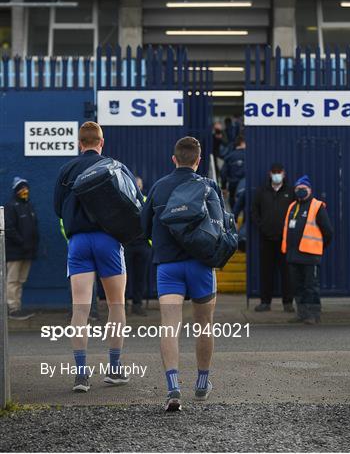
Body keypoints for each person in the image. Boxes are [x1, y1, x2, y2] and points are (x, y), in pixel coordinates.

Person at [54, 121, 143, 392]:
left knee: (80, 308)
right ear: (101, 143)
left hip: (78, 242)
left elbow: (58, 208)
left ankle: (81, 375)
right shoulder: (116, 166)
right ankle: (114, 370)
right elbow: (135, 201)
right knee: (116, 306)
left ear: (79, 143)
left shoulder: (66, 170)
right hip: (109, 241)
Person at [141, 136, 223, 412]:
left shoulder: (159, 187)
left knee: (169, 325)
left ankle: (173, 386)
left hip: (168, 267)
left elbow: (143, 228)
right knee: (204, 324)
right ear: (198, 161)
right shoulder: (208, 187)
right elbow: (219, 226)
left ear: (173, 159)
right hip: (200, 266)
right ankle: (201, 383)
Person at [281, 175, 333, 325]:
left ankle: (314, 315)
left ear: (309, 190)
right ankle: (302, 314)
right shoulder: (292, 206)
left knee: (310, 287)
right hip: (293, 255)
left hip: (310, 256)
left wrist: (319, 247)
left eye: (303, 188)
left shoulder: (317, 206)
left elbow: (328, 232)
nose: (300, 191)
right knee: (297, 286)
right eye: (297, 189)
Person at [251, 163, 295, 312]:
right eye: (274, 172)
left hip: (285, 240)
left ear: (284, 173)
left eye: (279, 172)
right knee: (266, 272)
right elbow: (254, 211)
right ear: (270, 174)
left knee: (287, 272)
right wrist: (262, 226)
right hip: (267, 239)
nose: (277, 175)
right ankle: (265, 302)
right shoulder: (262, 191)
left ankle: (288, 303)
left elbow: (295, 211)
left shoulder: (290, 191)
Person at [5, 177, 39, 320]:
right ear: (16, 191)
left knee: (21, 280)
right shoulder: (11, 206)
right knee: (12, 280)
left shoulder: (29, 206)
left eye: (26, 188)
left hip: (28, 252)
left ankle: (17, 307)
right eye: (21, 188)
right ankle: (12, 308)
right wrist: (21, 242)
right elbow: (9, 228)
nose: (24, 191)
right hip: (15, 252)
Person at [124, 176, 151, 316]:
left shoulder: (146, 201)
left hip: (143, 244)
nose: (137, 187)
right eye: (134, 185)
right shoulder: (122, 200)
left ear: (141, 187)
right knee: (123, 277)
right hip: (126, 245)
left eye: (139, 185)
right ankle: (123, 304)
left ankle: (137, 304)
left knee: (141, 276)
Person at [221, 135, 246, 210]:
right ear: (242, 143)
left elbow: (223, 173)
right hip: (245, 184)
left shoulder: (229, 156)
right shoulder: (249, 155)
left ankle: (234, 219)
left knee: (233, 205)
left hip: (232, 184)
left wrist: (224, 187)